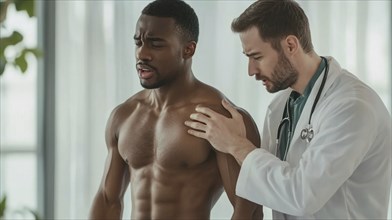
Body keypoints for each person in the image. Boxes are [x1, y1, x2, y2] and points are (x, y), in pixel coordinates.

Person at [185, 0, 392, 219]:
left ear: (291, 45)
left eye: (257, 57)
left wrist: (237, 145)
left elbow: (302, 197)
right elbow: (271, 187)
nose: (251, 70)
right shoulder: (280, 106)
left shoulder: (352, 107)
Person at [89, 0, 263, 219]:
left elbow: (249, 210)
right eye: (138, 42)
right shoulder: (124, 116)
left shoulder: (221, 118)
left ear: (188, 49)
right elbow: (107, 200)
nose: (142, 54)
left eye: (156, 44)